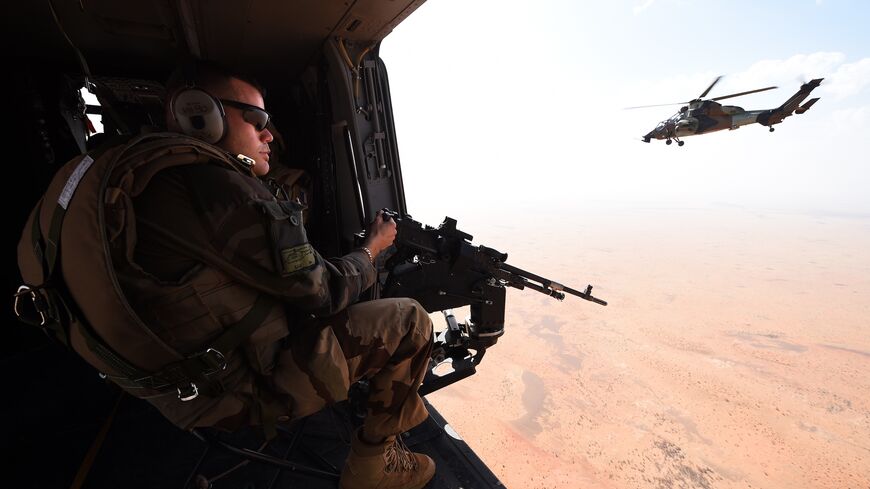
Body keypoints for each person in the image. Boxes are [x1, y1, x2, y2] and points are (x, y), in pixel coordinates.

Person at [80, 62, 436, 489]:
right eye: (257, 121)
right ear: (201, 116)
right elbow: (326, 291)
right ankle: (375, 467)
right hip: (228, 393)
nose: (269, 135)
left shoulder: (129, 168)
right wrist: (371, 249)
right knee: (410, 321)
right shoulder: (216, 189)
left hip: (154, 377)